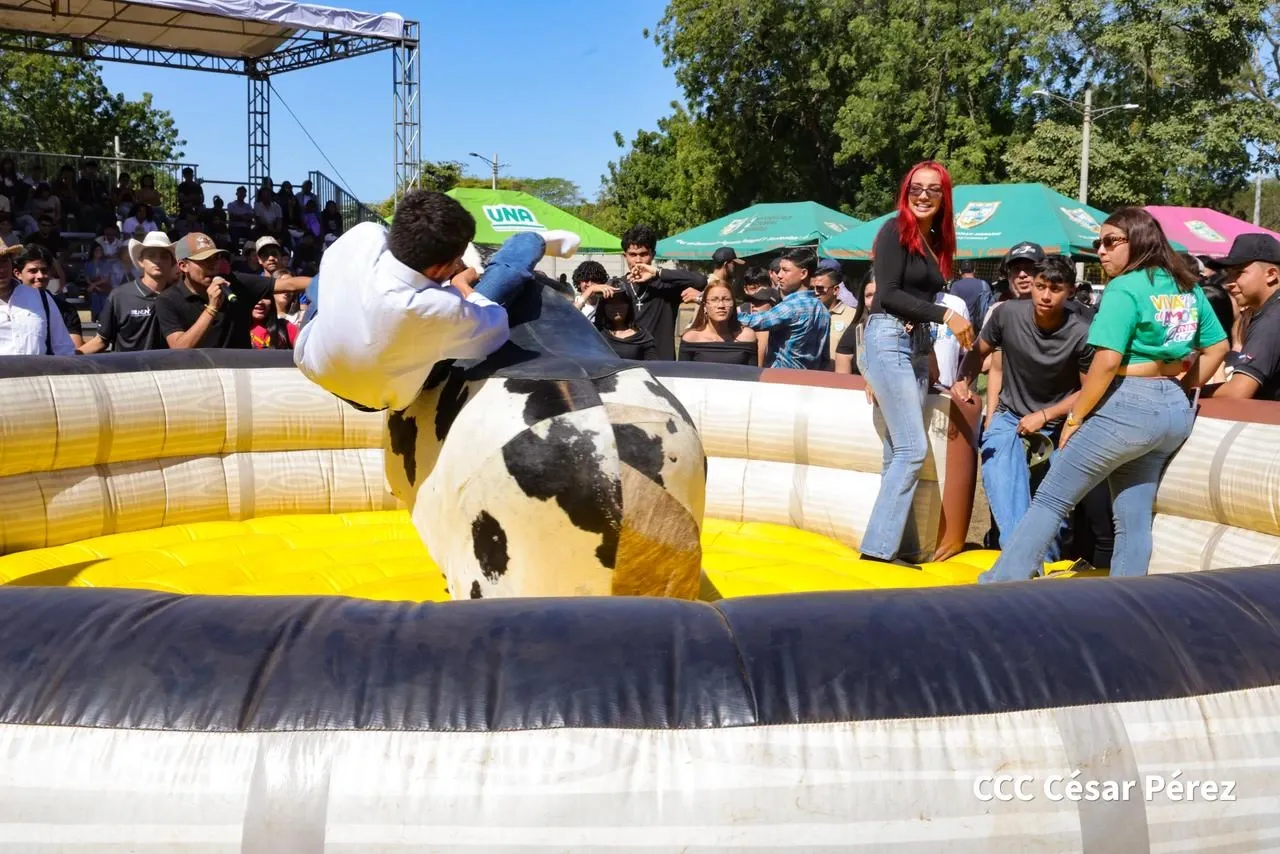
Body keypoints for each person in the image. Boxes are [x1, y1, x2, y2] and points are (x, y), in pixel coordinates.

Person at [981, 207, 1229, 583]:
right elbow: (1218, 347)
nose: (1101, 250)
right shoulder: (1186, 286)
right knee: (1133, 516)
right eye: (1100, 242)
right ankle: (1126, 601)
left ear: (1140, 240)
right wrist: (1180, 386)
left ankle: (997, 588)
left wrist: (1076, 417)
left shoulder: (1125, 287)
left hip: (1127, 405)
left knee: (1050, 497)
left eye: (1112, 241)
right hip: (1173, 412)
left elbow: (1107, 362)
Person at [293, 190, 580, 412]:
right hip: (371, 397)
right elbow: (494, 326)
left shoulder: (363, 235)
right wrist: (462, 286)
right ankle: (530, 242)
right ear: (442, 267)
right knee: (495, 290)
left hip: (312, 355)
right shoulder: (431, 308)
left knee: (325, 280)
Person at [858, 161, 974, 566]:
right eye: (916, 188)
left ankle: (901, 547)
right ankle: (876, 550)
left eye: (933, 190)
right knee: (911, 448)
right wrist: (946, 315)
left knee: (897, 451)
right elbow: (885, 295)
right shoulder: (895, 230)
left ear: (944, 197)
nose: (923, 196)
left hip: (917, 346)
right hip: (889, 337)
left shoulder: (936, 242)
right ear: (906, 193)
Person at [953, 256, 1094, 561]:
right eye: (1040, 286)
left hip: (1060, 425)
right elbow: (979, 352)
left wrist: (1046, 415)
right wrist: (964, 379)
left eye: (1055, 289)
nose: (1045, 296)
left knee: (1050, 509)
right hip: (1010, 416)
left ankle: (1040, 570)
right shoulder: (1007, 314)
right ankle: (1024, 564)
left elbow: (1090, 390)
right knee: (1003, 486)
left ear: (1070, 291)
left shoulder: (1082, 331)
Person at [156, 232, 311, 351]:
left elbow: (289, 284)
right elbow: (179, 347)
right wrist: (212, 308)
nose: (212, 266)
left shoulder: (235, 282)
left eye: (215, 258)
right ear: (183, 266)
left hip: (240, 375)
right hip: (199, 380)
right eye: (204, 261)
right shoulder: (168, 300)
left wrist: (327, 281)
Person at [78, 231, 178, 354]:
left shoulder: (180, 297)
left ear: (172, 262)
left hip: (169, 371)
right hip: (129, 371)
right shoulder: (120, 296)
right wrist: (72, 357)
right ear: (140, 261)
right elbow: (101, 340)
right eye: (151, 255)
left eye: (164, 256)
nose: (157, 260)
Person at [1208, 234, 1280, 401]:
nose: (1229, 282)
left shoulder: (1272, 319)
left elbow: (1237, 393)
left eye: (1239, 272)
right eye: (1229, 273)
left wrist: (1189, 392)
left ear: (1271, 274)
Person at [619, 224, 705, 360]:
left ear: (652, 254)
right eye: (633, 255)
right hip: (629, 363)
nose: (638, 260)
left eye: (643, 254)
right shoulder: (620, 286)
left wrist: (658, 273)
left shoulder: (666, 284)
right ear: (625, 256)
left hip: (662, 363)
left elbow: (700, 281)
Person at [736, 247, 830, 369]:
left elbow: (755, 321)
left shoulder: (792, 307)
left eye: (785, 270)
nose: (779, 275)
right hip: (810, 381)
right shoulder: (823, 310)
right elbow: (824, 358)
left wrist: (726, 312)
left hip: (783, 379)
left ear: (803, 274)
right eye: (779, 270)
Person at [0, 236, 75, 356]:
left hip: (37, 373)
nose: (1, 269)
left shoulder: (40, 297)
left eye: (4, 261)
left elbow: (63, 348)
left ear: (10, 263)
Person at [679, 280, 758, 365]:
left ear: (733, 305)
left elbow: (753, 375)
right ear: (705, 306)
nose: (721, 306)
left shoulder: (747, 336)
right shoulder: (691, 338)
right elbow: (682, 375)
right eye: (714, 300)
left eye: (727, 300)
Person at [594, 286, 657, 360]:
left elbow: (653, 365)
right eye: (611, 302)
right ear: (604, 307)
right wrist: (590, 290)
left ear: (628, 305)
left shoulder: (642, 336)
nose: (616, 307)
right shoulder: (596, 332)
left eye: (620, 302)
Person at [950, 258, 993, 336]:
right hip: (980, 328)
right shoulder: (984, 285)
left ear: (960, 271)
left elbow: (952, 308)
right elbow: (991, 307)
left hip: (962, 327)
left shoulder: (955, 286)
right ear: (974, 270)